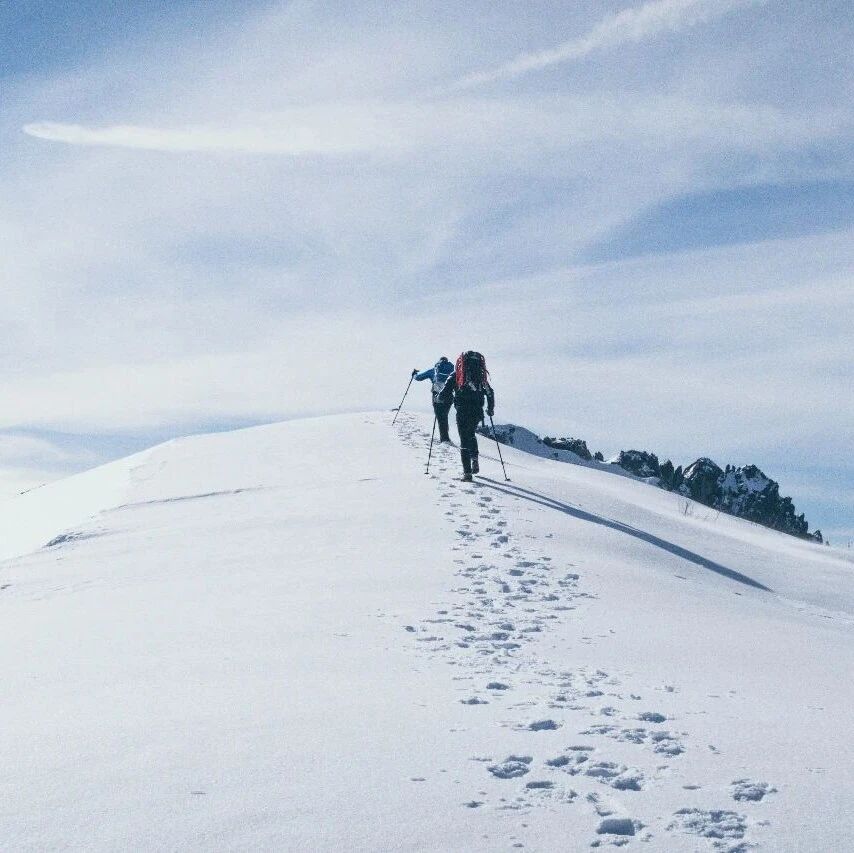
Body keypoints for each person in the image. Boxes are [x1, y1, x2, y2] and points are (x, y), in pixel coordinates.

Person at [437, 351, 495, 481]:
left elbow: (445, 391)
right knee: (471, 434)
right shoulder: (480, 377)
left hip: (462, 411)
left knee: (464, 438)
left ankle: (467, 473)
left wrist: (439, 398)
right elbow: (490, 393)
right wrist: (490, 409)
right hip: (477, 412)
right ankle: (474, 458)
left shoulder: (457, 374)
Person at [411, 356, 455, 443]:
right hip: (449, 396)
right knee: (444, 415)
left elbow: (419, 377)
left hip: (437, 395)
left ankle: (444, 439)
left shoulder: (434, 370)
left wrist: (414, 374)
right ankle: (445, 437)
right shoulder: (452, 371)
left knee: (440, 417)